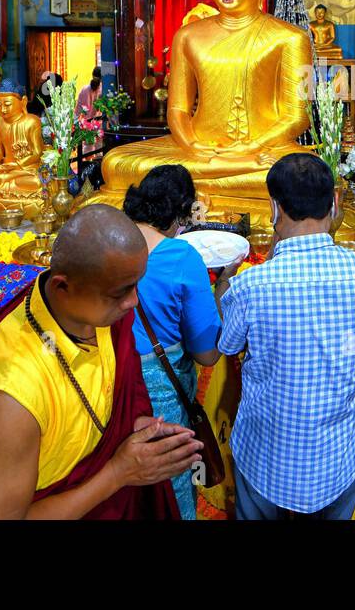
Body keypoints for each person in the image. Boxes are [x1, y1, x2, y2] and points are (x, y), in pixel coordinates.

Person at [0, 205, 200, 519]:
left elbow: (119, 395)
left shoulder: (98, 314)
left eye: (137, 284)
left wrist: (135, 427)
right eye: (120, 292)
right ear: (62, 286)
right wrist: (118, 473)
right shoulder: (11, 396)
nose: (134, 302)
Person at [218, 153, 355, 519]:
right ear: (336, 203)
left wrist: (225, 283)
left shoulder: (251, 285)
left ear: (274, 208)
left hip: (265, 453)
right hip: (336, 456)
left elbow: (227, 345)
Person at [122, 165, 227, 519]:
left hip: (103, 387)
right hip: (160, 400)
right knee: (169, 487)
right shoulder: (182, 257)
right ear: (181, 213)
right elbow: (207, 353)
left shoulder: (108, 242)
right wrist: (223, 287)